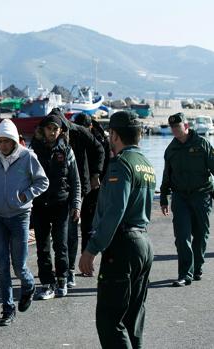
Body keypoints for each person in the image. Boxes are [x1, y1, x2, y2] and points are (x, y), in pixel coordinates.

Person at [79, 111, 155, 349]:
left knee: (109, 320)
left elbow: (114, 211)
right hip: (143, 242)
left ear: (113, 134)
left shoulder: (121, 164)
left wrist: (91, 250)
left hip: (123, 246)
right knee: (133, 318)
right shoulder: (146, 164)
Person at [0, 119, 49, 326]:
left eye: (7, 141)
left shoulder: (27, 156)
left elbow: (42, 181)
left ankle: (28, 285)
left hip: (20, 216)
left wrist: (25, 196)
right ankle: (7, 309)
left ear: (14, 141)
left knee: (19, 266)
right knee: (1, 267)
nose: (3, 145)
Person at [30, 114, 81, 300]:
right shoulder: (33, 149)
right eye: (49, 128)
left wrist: (76, 204)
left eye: (55, 129)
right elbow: (26, 177)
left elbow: (75, 180)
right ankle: (46, 284)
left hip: (62, 204)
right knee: (42, 248)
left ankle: (62, 279)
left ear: (60, 131)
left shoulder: (67, 150)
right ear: (43, 129)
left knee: (61, 245)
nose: (52, 132)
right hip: (40, 204)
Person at [160, 112, 214, 286]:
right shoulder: (171, 150)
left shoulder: (202, 144)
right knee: (182, 236)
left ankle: (197, 266)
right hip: (180, 197)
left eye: (178, 126)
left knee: (201, 235)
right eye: (172, 127)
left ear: (186, 126)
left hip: (202, 195)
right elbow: (166, 175)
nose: (175, 130)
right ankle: (185, 274)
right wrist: (163, 197)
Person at [54, 109, 105, 287]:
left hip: (84, 186)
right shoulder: (51, 136)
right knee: (67, 230)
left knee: (79, 227)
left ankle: (78, 265)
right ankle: (68, 266)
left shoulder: (81, 132)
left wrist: (96, 175)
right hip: (65, 186)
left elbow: (100, 150)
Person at [74, 113, 111, 274]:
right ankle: (80, 263)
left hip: (96, 187)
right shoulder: (74, 137)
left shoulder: (100, 140)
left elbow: (108, 161)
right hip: (79, 184)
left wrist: (100, 179)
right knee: (79, 226)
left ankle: (87, 262)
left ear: (89, 127)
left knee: (90, 226)